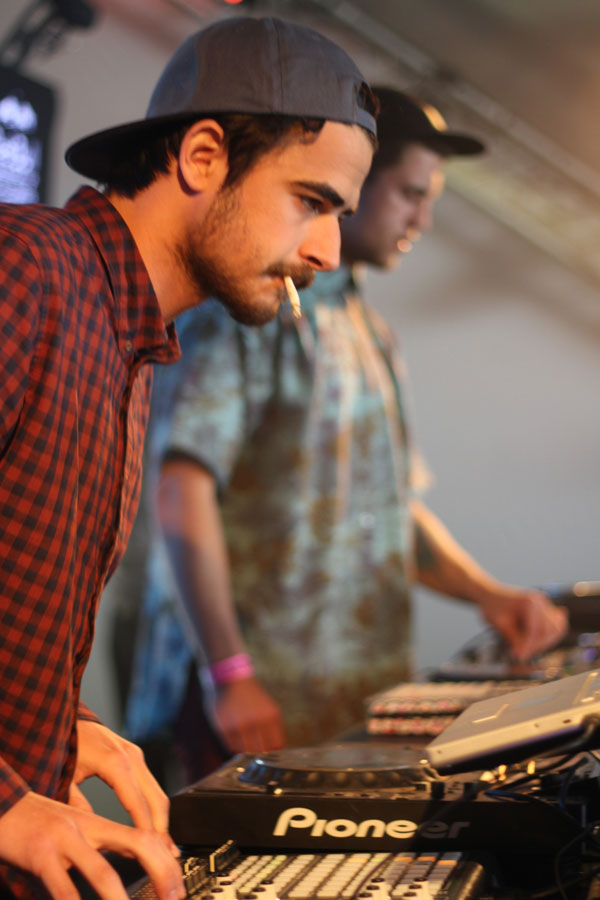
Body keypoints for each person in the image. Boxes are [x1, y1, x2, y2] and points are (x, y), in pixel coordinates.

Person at [0, 15, 377, 900]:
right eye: (311, 201)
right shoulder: (25, 267)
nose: (327, 252)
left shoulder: (128, 340)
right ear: (204, 156)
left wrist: (56, 722)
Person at [122, 86, 568, 789]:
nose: (422, 218)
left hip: (346, 711)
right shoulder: (249, 312)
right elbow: (182, 491)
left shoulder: (371, 333)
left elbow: (390, 512)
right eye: (410, 194)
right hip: (244, 706)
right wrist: (229, 671)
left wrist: (490, 595)